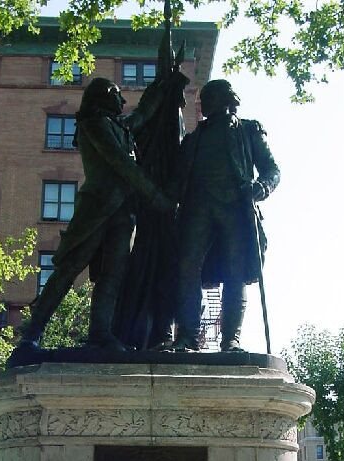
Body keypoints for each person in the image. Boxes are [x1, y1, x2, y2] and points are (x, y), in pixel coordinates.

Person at [17, 77, 172, 353]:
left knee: (112, 275)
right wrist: (156, 196)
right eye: (117, 94)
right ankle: (32, 332)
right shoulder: (93, 123)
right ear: (101, 96)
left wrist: (161, 87)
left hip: (123, 213)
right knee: (69, 268)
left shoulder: (119, 126)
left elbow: (141, 115)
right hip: (97, 207)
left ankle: (100, 332)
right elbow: (121, 163)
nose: (122, 101)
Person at [167, 79, 280, 352]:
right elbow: (176, 179)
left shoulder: (249, 130)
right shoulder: (194, 139)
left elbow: (272, 170)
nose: (203, 104)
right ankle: (188, 336)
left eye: (208, 97)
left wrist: (261, 188)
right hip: (197, 207)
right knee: (187, 268)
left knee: (235, 273)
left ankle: (231, 339)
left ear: (225, 99)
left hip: (236, 208)